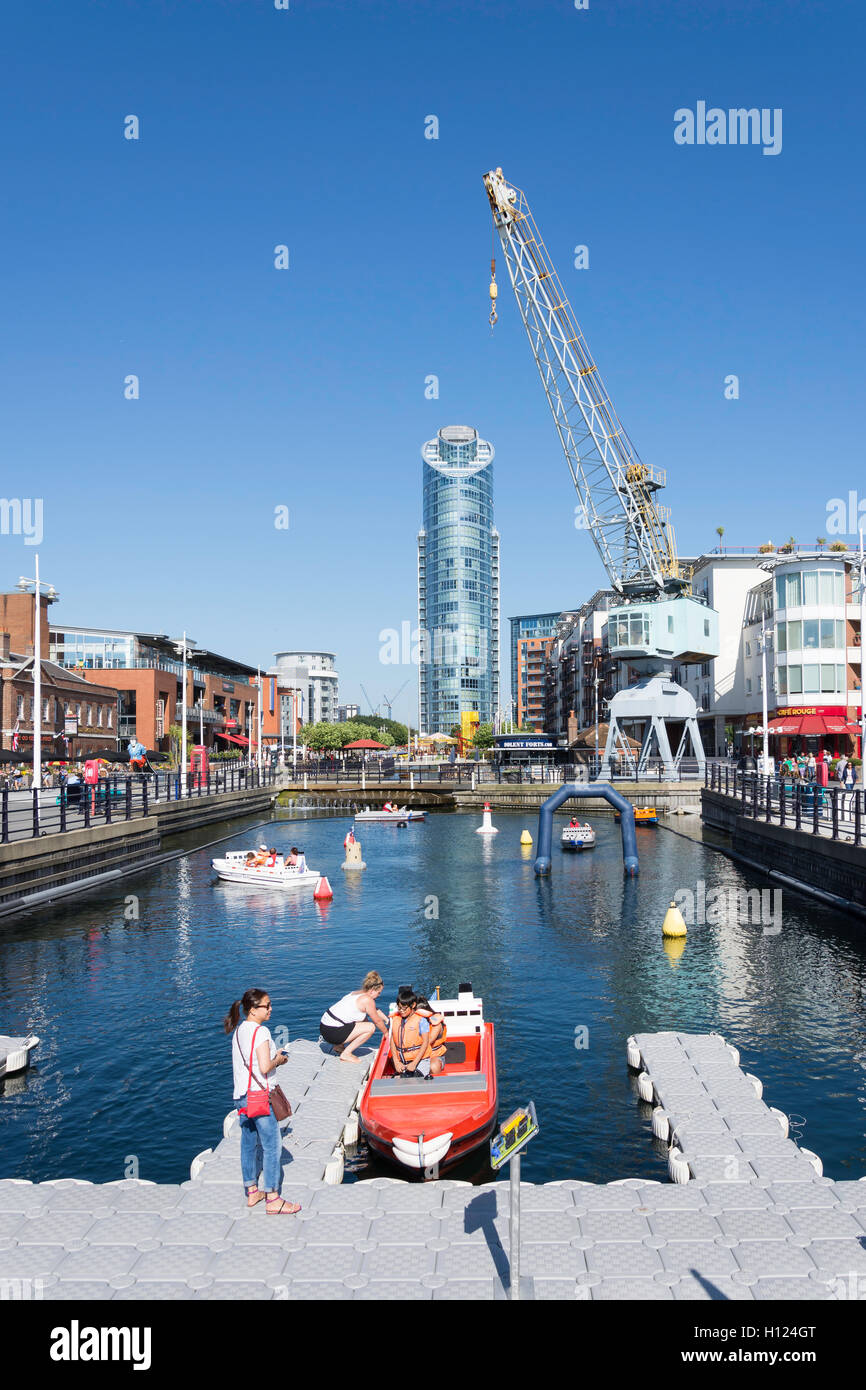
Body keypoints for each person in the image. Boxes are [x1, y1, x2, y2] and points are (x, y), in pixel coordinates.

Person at [223, 988, 299, 1216]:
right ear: (254, 1009)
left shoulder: (239, 1031)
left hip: (242, 1096)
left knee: (248, 1143)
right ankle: (274, 1198)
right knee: (272, 1145)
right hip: (259, 1097)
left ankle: (252, 1191)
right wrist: (280, 1059)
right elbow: (265, 1067)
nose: (271, 1009)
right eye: (267, 1005)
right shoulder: (261, 1031)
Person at [320, 972, 389, 1062]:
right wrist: (387, 1033)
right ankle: (346, 1054)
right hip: (332, 1032)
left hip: (325, 1028)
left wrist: (387, 1019)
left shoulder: (356, 993)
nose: (379, 995)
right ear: (372, 990)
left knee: (361, 1022)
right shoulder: (367, 1000)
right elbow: (377, 1022)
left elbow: (374, 1009)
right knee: (370, 1027)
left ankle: (338, 1046)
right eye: (378, 993)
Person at [389, 987, 432, 1078]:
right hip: (402, 1061)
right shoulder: (396, 1019)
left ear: (413, 1005)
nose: (401, 1011)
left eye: (404, 1008)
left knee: (413, 1079)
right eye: (399, 1008)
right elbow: (393, 1041)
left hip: (420, 1061)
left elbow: (425, 1043)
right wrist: (396, 1062)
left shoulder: (421, 1020)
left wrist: (414, 1063)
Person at [414, 995, 447, 1077]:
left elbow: (429, 1041)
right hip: (414, 1055)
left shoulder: (436, 1024)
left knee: (433, 1067)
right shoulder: (410, 1022)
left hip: (434, 1056)